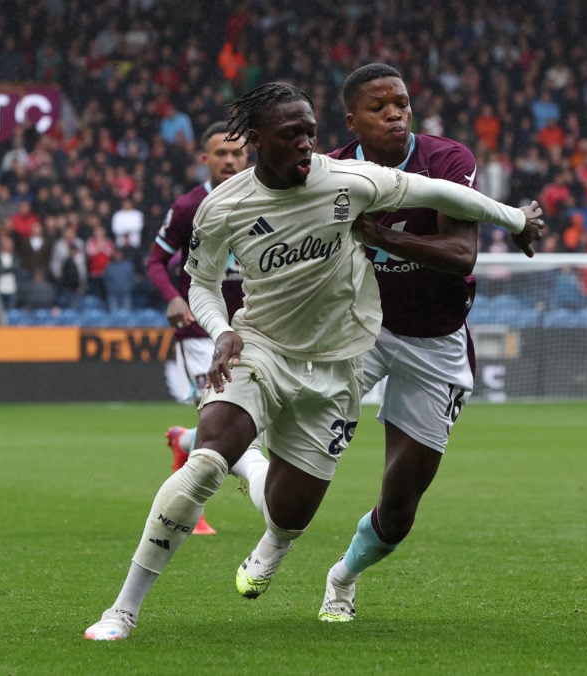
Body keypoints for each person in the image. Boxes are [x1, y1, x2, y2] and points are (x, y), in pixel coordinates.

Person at [83, 82, 543, 640]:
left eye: (310, 133)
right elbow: (200, 282)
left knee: (288, 513)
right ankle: (122, 610)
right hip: (261, 347)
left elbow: (445, 195)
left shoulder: (349, 181)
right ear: (255, 141)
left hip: (337, 365)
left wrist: (516, 220)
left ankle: (266, 509)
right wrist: (222, 329)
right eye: (290, 135)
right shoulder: (222, 205)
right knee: (204, 464)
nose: (305, 145)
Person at [315, 62, 540, 623]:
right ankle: (269, 538)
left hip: (433, 340)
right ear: (352, 120)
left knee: (399, 506)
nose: (395, 114)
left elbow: (463, 254)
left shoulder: (446, 159)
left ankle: (342, 576)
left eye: (402, 104)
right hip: (358, 330)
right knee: (300, 440)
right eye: (379, 107)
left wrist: (382, 234)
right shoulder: (332, 170)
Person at [145, 120, 259, 536]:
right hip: (200, 331)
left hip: (252, 327)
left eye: (237, 154)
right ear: (205, 159)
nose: (229, 161)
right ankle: (191, 511)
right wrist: (173, 297)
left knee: (245, 420)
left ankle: (183, 441)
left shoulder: (264, 200)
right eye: (221, 154)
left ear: (248, 157)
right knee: (220, 421)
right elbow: (155, 261)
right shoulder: (189, 207)